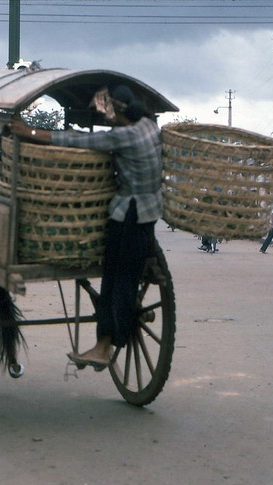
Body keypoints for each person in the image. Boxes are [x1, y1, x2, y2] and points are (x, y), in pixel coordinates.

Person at [9, 84, 161, 370]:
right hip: (148, 214)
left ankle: (103, 347)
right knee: (124, 279)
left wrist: (27, 132)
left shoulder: (123, 137)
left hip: (128, 217)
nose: (104, 116)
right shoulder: (149, 128)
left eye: (107, 110)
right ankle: (105, 341)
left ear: (117, 111)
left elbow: (72, 142)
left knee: (116, 283)